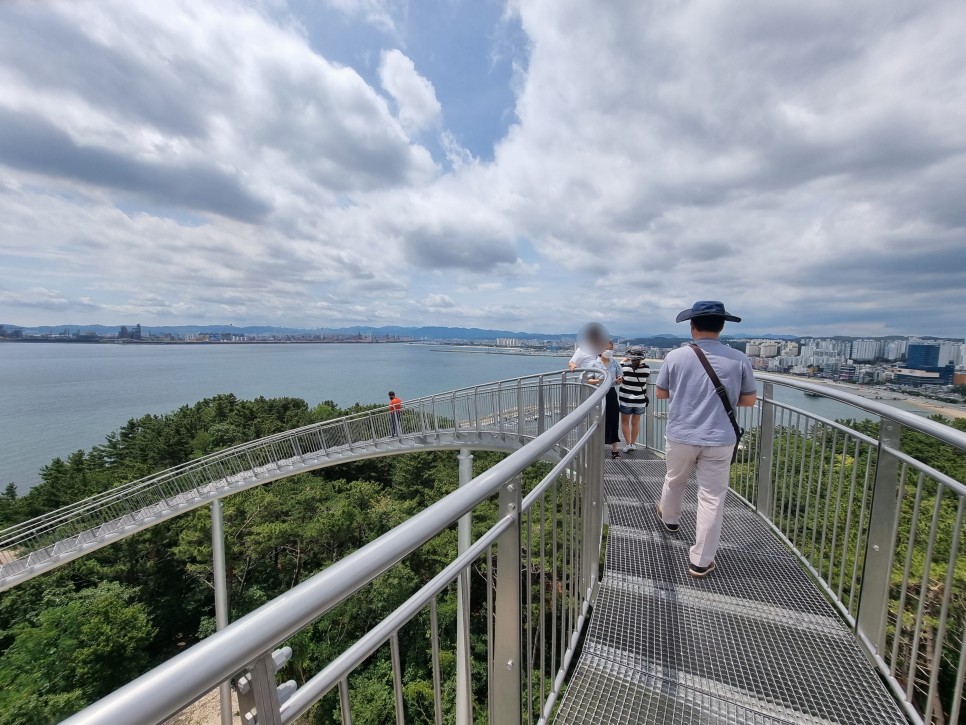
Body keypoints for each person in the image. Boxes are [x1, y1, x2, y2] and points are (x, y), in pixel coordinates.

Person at [654, 301, 757, 578]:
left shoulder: (674, 357)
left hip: (681, 435)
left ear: (692, 326)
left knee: (675, 479)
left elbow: (661, 394)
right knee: (711, 498)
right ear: (722, 327)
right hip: (720, 438)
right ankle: (701, 560)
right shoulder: (739, 358)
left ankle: (671, 520)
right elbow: (748, 400)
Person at [588, 348, 623, 458]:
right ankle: (597, 448)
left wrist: (618, 380)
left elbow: (620, 378)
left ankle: (615, 449)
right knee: (598, 420)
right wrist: (600, 380)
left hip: (611, 393)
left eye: (610, 348)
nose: (608, 350)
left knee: (613, 420)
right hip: (598, 393)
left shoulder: (615, 363)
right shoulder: (593, 363)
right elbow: (587, 380)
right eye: (606, 348)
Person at [618, 346, 650, 452]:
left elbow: (619, 366)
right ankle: (633, 443)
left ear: (630, 357)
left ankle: (628, 444)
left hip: (626, 400)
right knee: (635, 423)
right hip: (640, 401)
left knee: (625, 423)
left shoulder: (624, 368)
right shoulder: (646, 369)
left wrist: (623, 360)